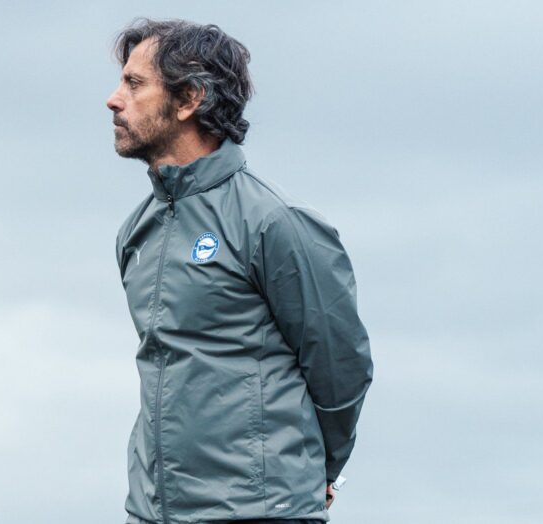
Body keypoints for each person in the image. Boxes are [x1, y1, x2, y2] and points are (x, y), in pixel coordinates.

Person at [107, 18, 373, 524]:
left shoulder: (275, 222)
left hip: (262, 511)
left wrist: (317, 473)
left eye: (134, 84)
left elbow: (341, 369)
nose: (114, 100)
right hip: (153, 512)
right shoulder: (135, 232)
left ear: (189, 99)